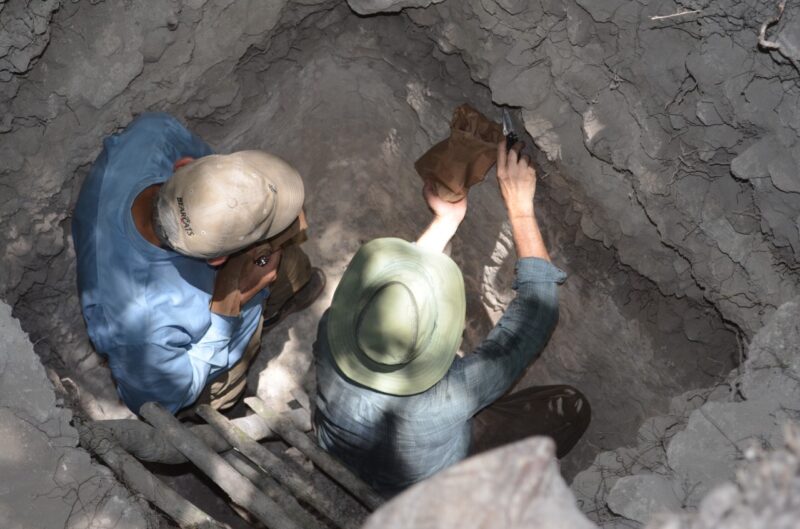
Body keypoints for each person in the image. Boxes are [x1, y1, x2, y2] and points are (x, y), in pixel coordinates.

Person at [314, 140, 590, 494]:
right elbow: (535, 318)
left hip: (342, 451)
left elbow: (398, 293)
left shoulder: (332, 334)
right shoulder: (447, 396)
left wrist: (446, 221)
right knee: (570, 407)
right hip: (424, 482)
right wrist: (520, 210)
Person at [72, 112, 324, 415]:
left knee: (290, 259)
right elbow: (160, 402)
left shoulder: (153, 137)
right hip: (188, 358)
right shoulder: (142, 328)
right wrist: (228, 306)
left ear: (184, 167)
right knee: (220, 387)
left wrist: (273, 227)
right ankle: (225, 397)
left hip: (220, 277)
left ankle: (267, 309)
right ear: (219, 259)